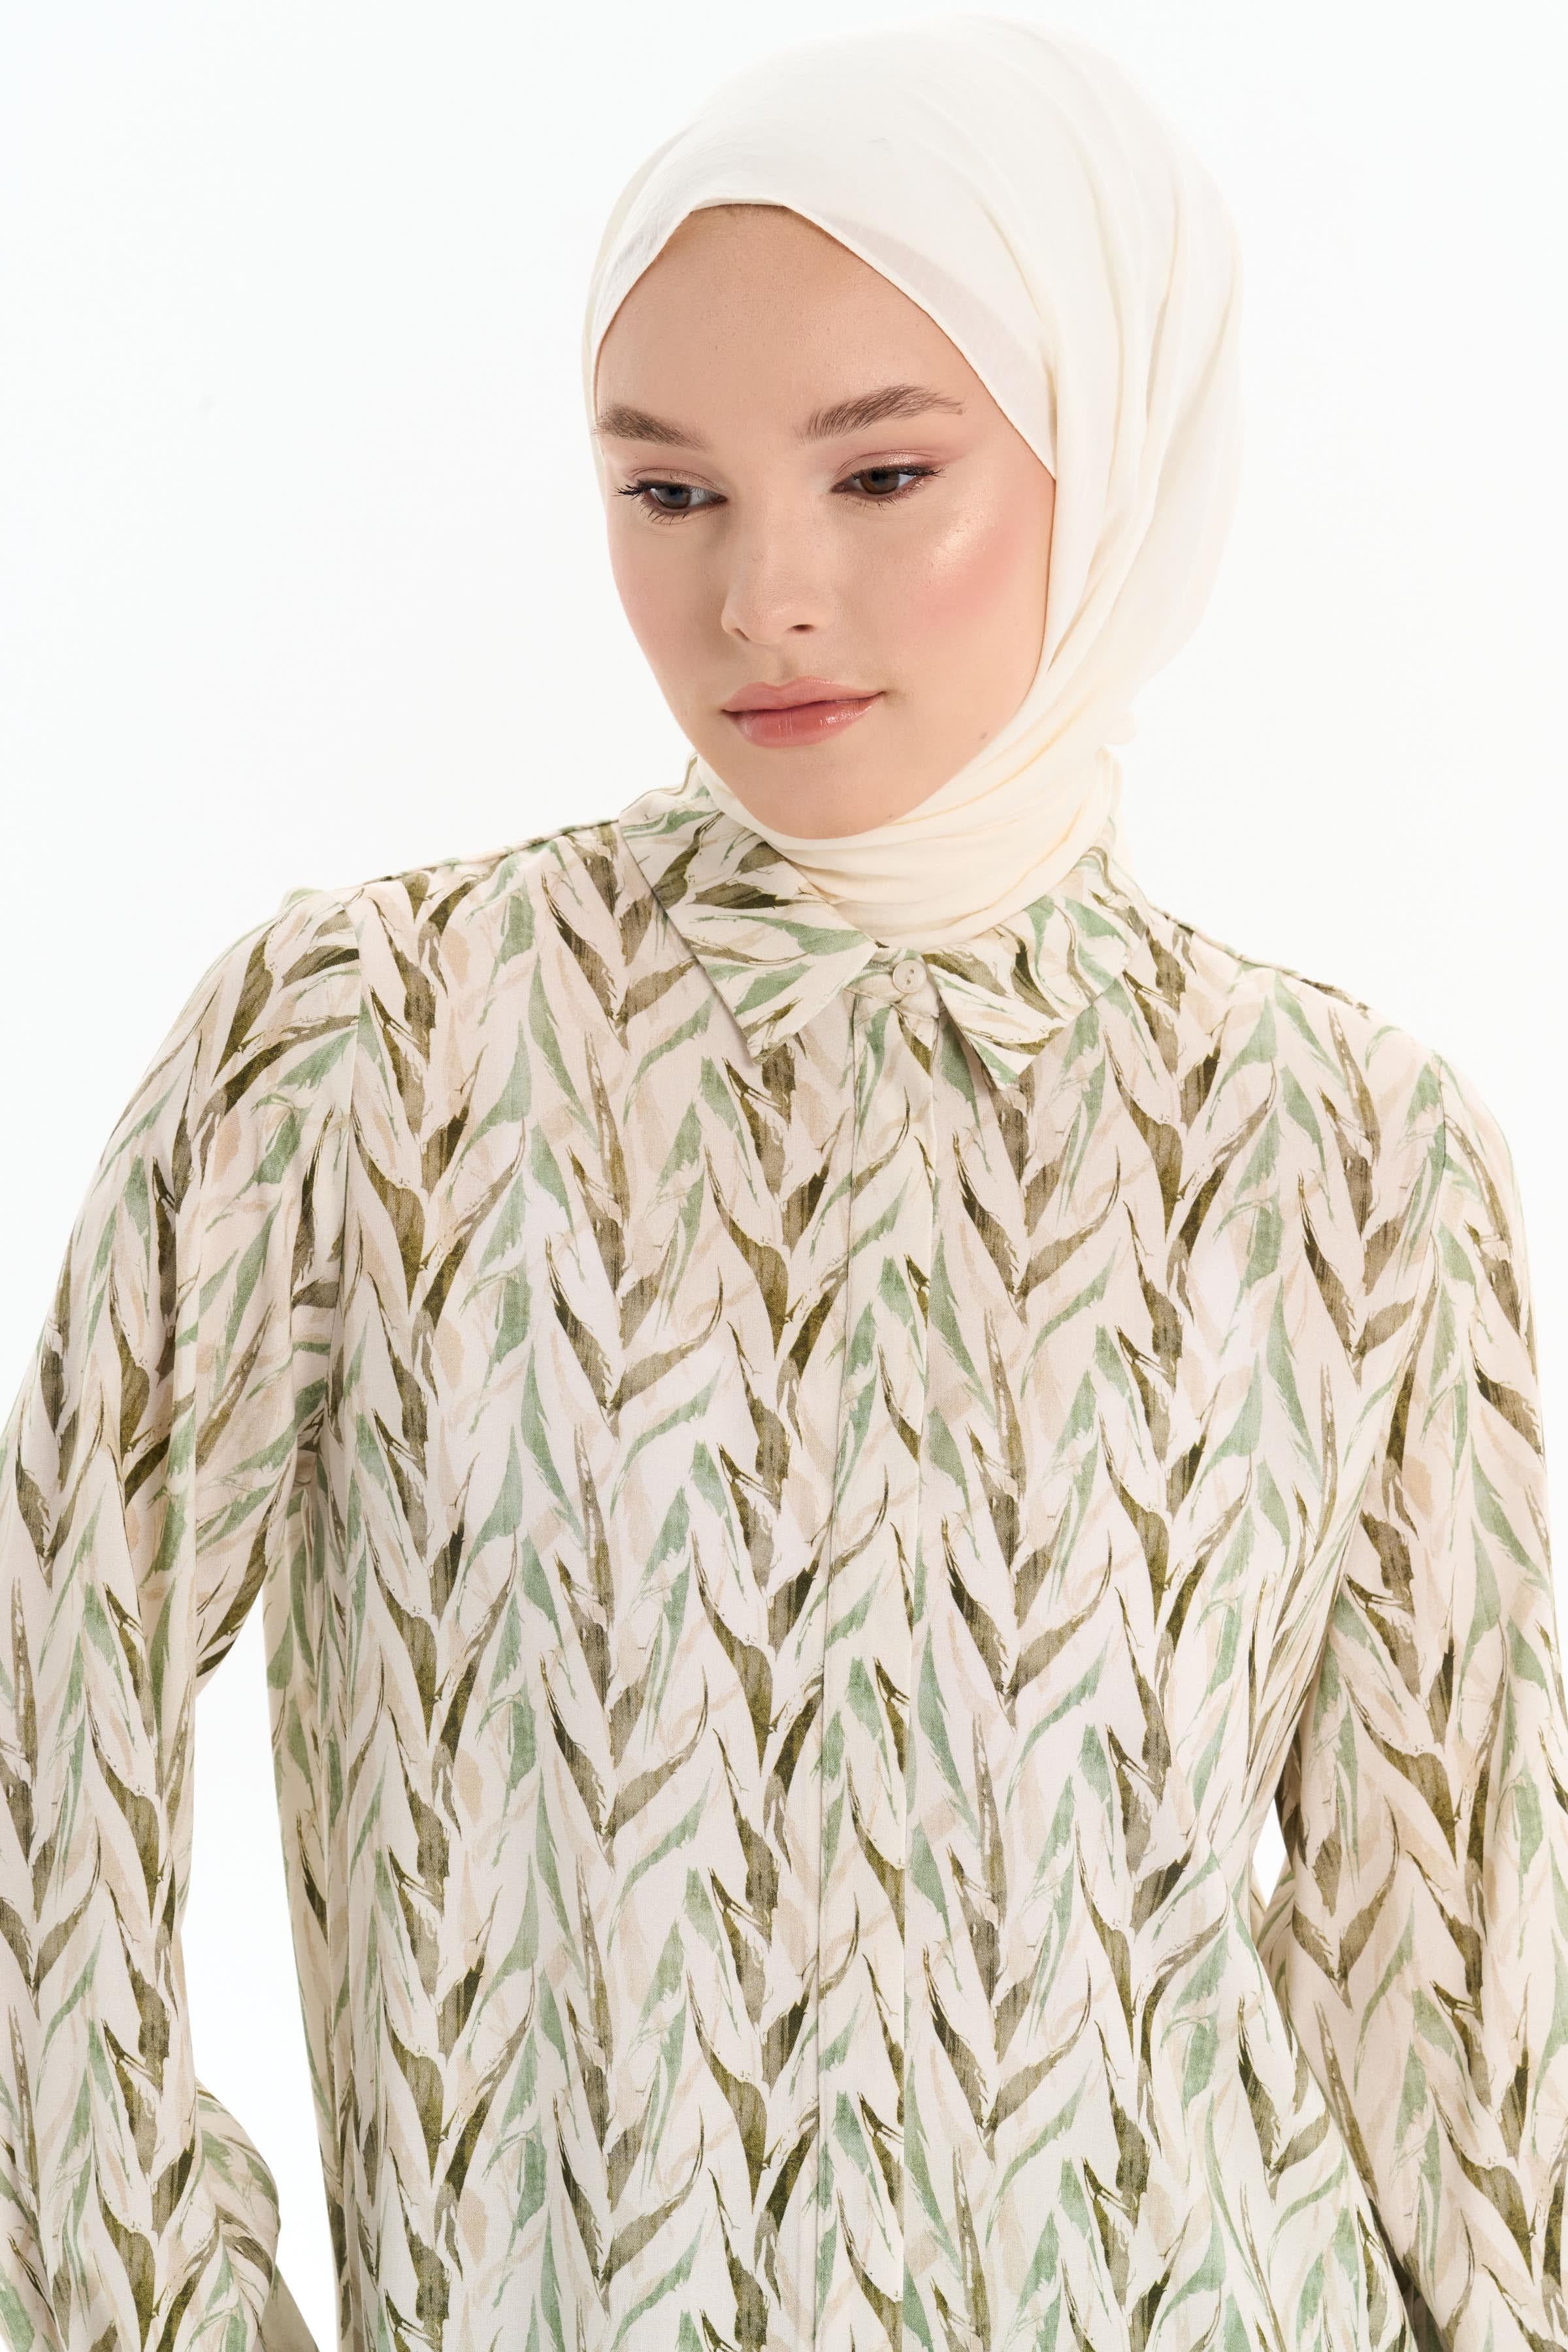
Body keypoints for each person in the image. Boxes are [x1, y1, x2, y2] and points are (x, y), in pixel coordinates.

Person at [0, 16, 1561, 2351]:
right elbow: (49, 1718)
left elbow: (1461, 1992)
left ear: (1112, 447)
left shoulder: (1350, 1142)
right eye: (671, 495)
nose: (764, 598)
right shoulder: (367, 1046)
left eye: (885, 472)